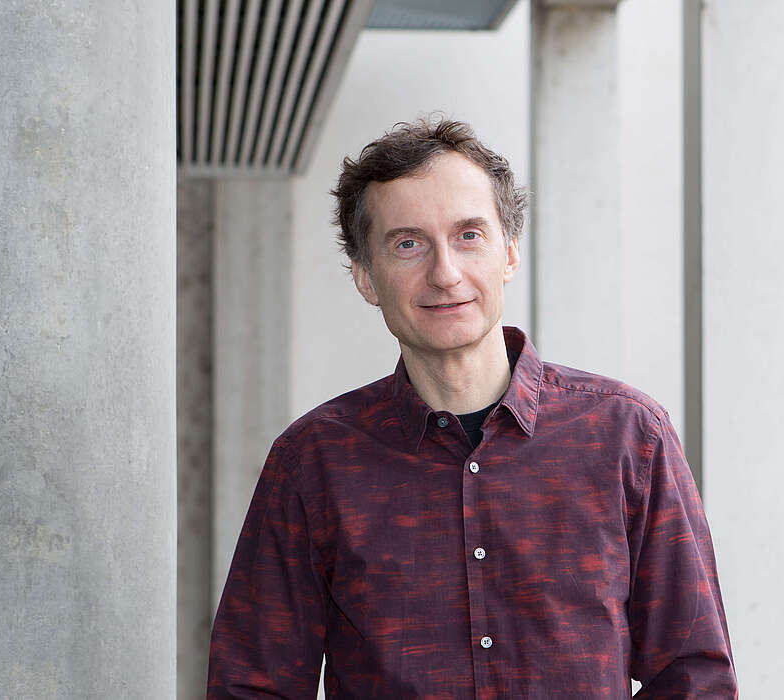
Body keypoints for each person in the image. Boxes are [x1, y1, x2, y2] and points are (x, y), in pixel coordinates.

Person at [207, 118, 736, 698]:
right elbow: (252, 686)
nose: (445, 273)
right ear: (366, 277)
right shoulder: (313, 462)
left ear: (508, 253)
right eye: (408, 244)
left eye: (468, 236)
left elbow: (694, 678)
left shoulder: (628, 437)